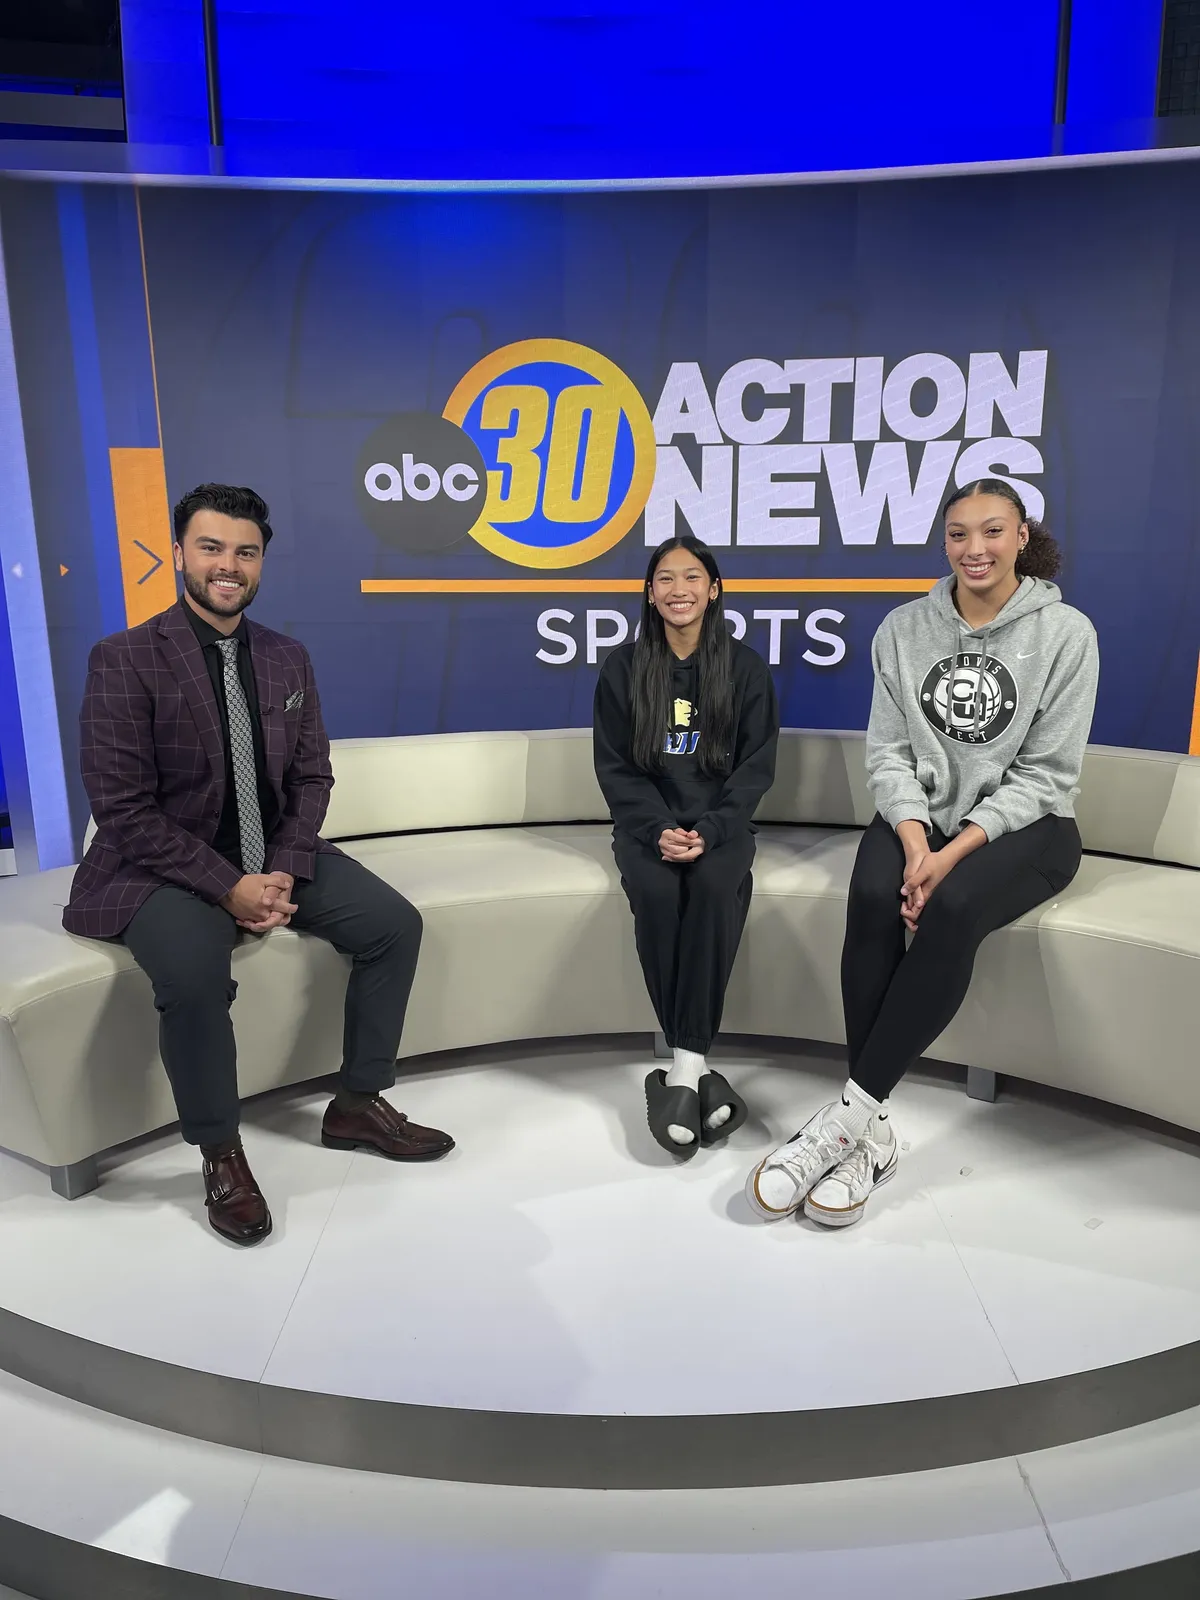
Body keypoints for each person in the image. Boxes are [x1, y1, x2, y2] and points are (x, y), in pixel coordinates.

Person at [64, 484, 454, 1245]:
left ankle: (357, 1104)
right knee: (193, 974)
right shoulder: (124, 658)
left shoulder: (285, 657)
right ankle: (221, 1153)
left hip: (271, 851)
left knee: (393, 925)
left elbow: (312, 777)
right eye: (211, 547)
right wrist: (227, 886)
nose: (228, 565)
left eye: (245, 552)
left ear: (261, 563)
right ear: (179, 553)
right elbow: (123, 808)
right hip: (158, 866)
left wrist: (278, 868)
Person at [747, 479, 1099, 1228]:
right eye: (959, 533)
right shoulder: (904, 629)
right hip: (922, 818)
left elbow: (1047, 775)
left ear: (1021, 536)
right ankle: (871, 1137)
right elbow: (888, 755)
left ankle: (843, 1123)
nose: (975, 548)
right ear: (944, 542)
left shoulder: (1067, 635)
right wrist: (915, 841)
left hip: (1029, 828)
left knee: (955, 904)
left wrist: (951, 855)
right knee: (873, 894)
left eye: (993, 531)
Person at [594, 535, 779, 1154]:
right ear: (650, 594)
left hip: (720, 828)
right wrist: (656, 830)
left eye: (693, 577)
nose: (680, 590)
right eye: (666, 579)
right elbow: (616, 768)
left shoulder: (745, 668)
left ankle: (680, 1071)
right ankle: (696, 1070)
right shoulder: (623, 669)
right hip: (647, 828)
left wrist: (713, 830)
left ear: (714, 590)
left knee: (714, 889)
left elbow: (755, 769)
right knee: (655, 893)